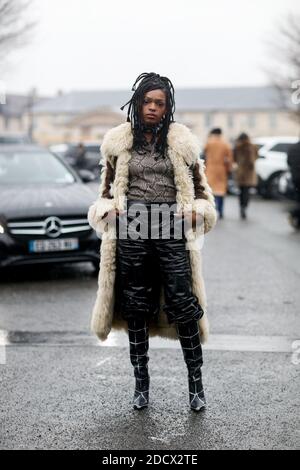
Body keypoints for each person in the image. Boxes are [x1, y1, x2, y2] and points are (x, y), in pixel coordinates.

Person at [87, 72, 217, 412]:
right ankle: (141, 386)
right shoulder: (119, 144)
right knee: (136, 306)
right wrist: (108, 213)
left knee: (183, 303)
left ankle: (196, 386)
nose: (153, 108)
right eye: (147, 102)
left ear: (167, 106)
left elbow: (202, 193)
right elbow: (104, 193)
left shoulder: (181, 144)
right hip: (132, 229)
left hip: (171, 229)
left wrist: (195, 214)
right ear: (137, 103)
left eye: (160, 103)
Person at [204, 128, 233, 219]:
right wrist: (229, 170)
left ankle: (212, 210)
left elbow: (203, 154)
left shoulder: (209, 143)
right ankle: (220, 210)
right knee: (221, 191)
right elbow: (229, 160)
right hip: (221, 170)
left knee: (210, 190)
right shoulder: (225, 144)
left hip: (210, 169)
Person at [233, 132, 258, 219]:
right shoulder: (252, 147)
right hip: (249, 172)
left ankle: (241, 206)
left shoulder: (237, 147)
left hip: (240, 171)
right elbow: (254, 158)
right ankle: (245, 207)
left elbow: (234, 159)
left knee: (241, 191)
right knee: (246, 191)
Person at [287, 139, 300, 228]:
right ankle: (294, 213)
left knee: (298, 198)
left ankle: (298, 222)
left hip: (295, 177)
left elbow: (288, 161)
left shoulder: (292, 147)